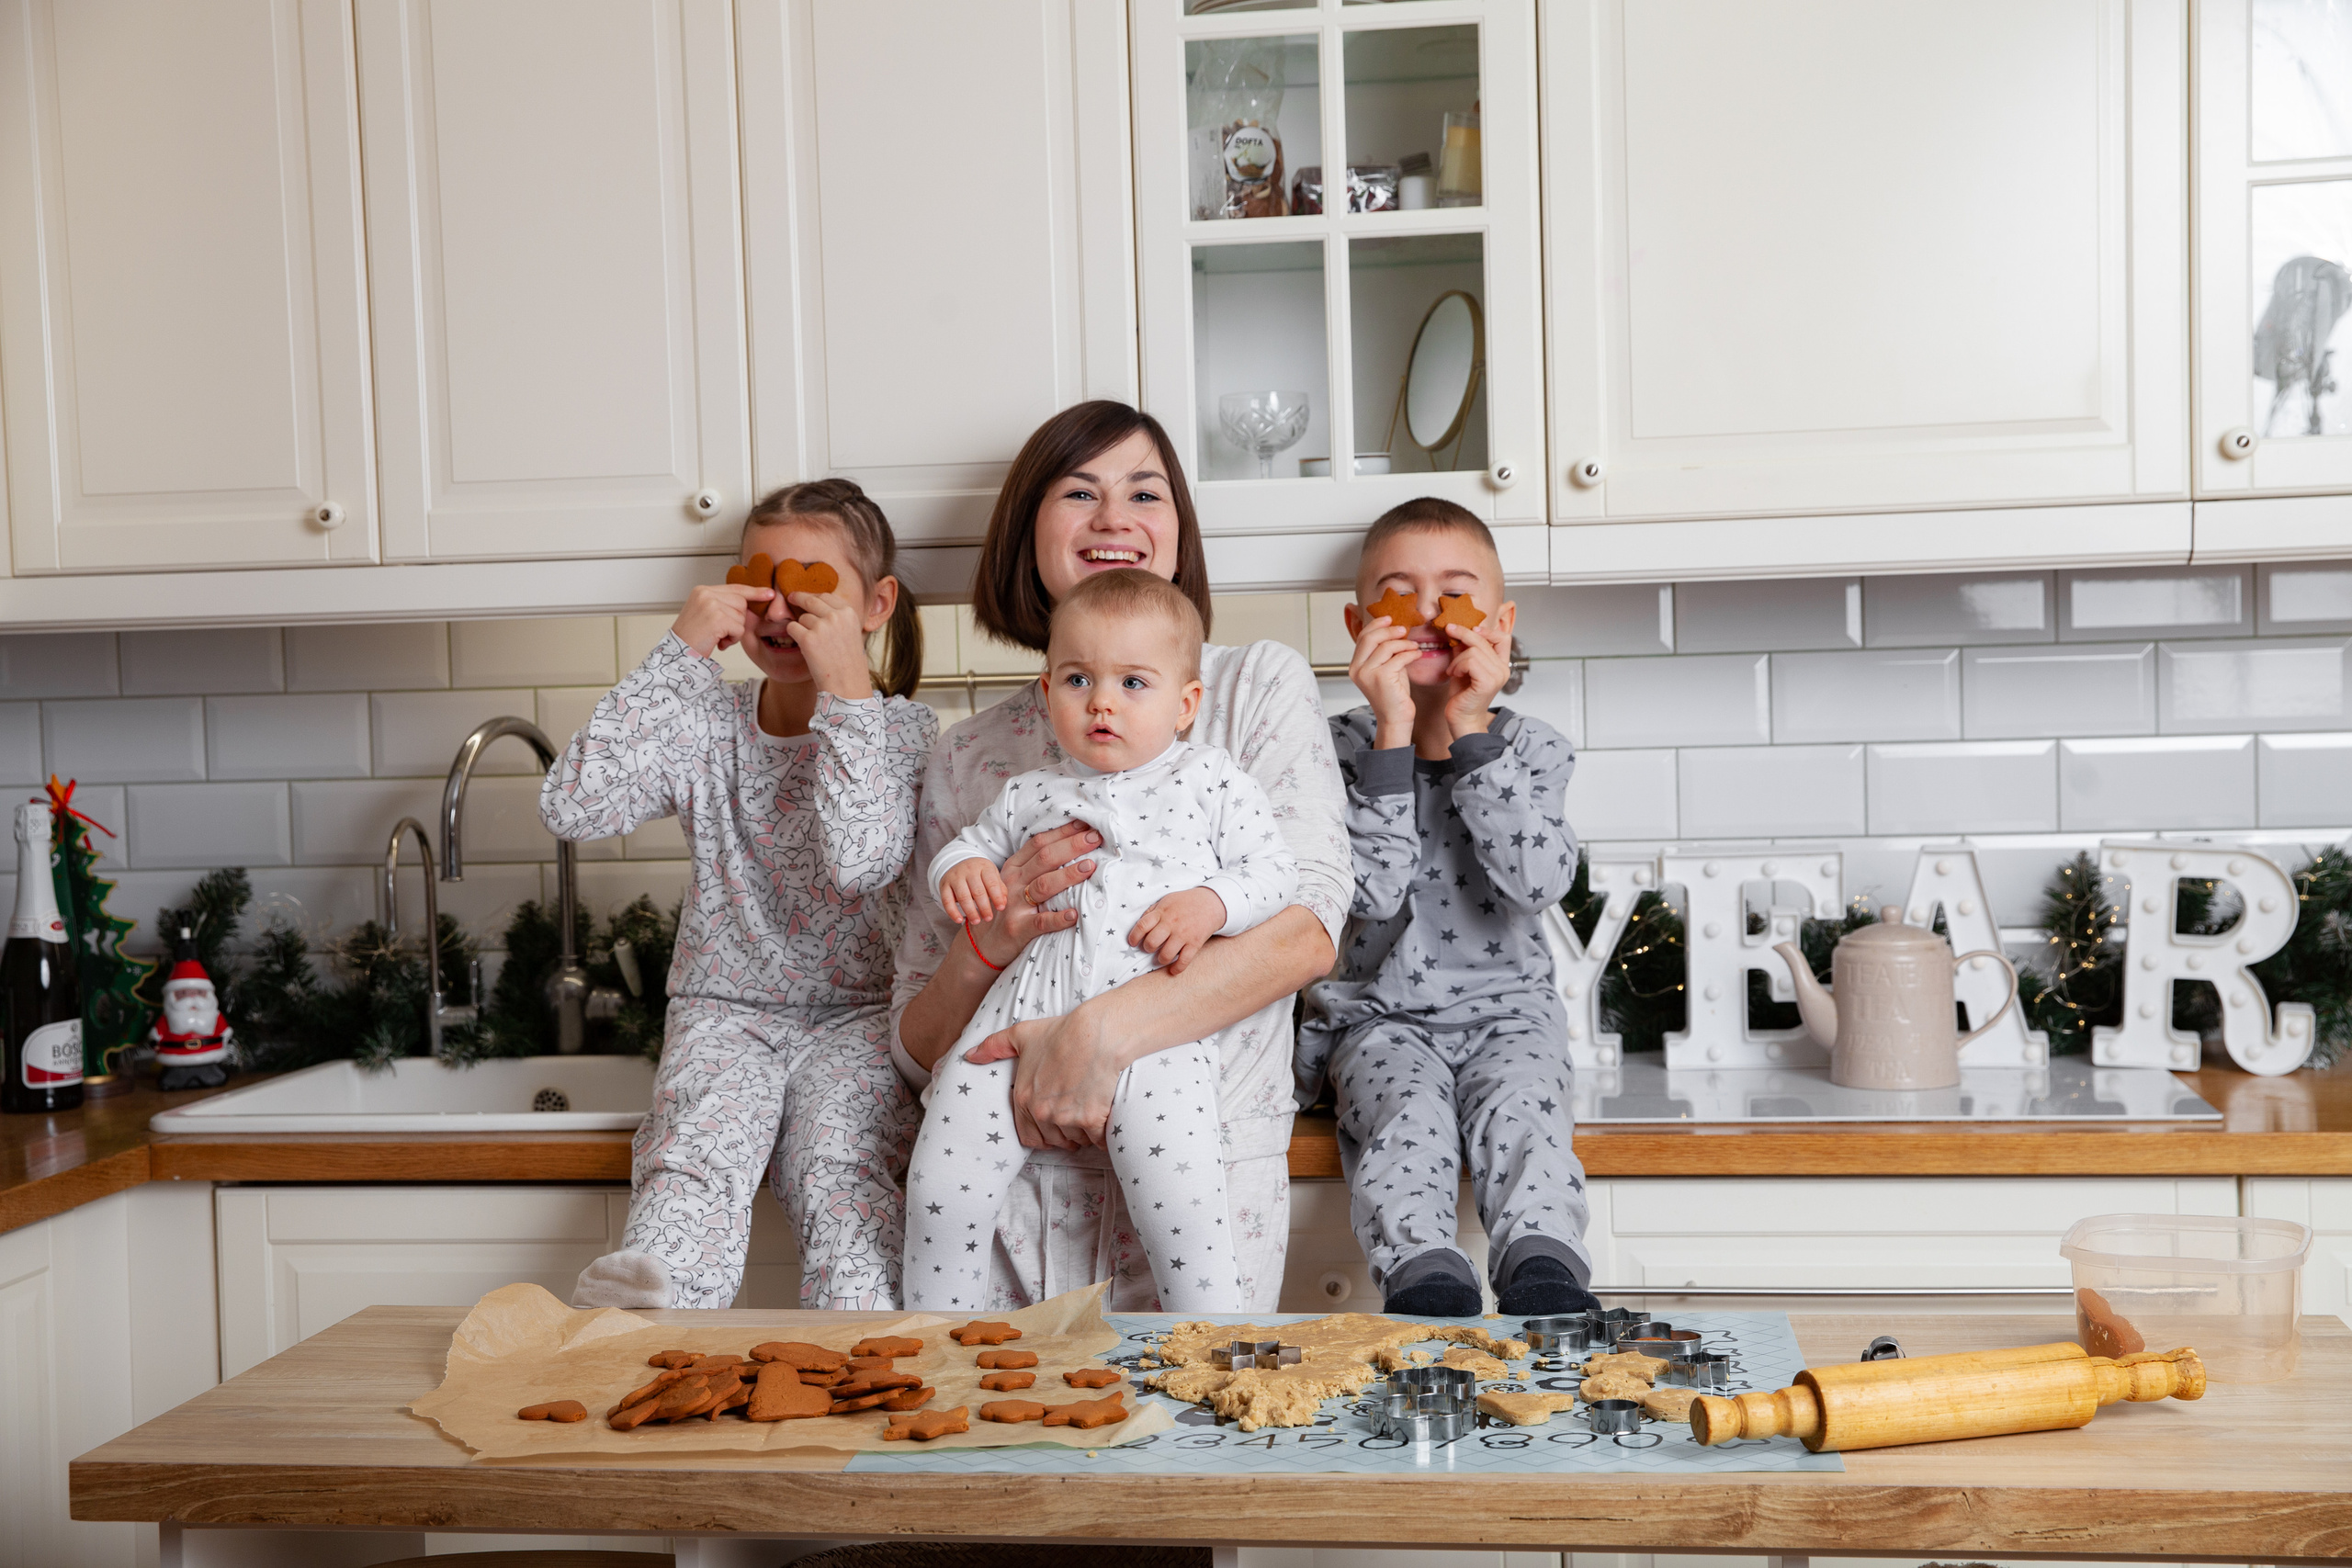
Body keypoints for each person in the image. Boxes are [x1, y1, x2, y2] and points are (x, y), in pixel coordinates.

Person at [891, 400, 1350, 1312]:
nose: (1113, 518)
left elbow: (1304, 929)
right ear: (1028, 532)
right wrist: (987, 938)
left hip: (1203, 1177)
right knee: (978, 1392)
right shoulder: (972, 758)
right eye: (1078, 493)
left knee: (1196, 1386)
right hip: (1009, 1218)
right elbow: (915, 1046)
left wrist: (1094, 1036)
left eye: (1145, 493)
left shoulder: (1252, 692)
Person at [547, 479, 935, 1311]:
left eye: (811, 585)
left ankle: (864, 1340)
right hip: (723, 1009)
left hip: (863, 1017)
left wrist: (848, 693)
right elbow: (571, 805)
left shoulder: (905, 732)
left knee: (843, 1168)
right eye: (761, 581)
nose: (781, 607)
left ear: (876, 605)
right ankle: (649, 1315)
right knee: (693, 1150)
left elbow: (865, 859)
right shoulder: (705, 723)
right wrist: (678, 653)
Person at [908, 570, 1299, 1312]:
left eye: (1133, 682)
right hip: (1013, 1026)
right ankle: (933, 1338)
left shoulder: (1212, 781)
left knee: (1184, 1207)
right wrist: (962, 873)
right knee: (939, 1187)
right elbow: (968, 847)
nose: (1102, 701)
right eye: (1078, 678)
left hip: (1156, 1033)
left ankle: (1214, 1340)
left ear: (1186, 703)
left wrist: (1212, 903)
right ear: (1047, 690)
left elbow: (1277, 874)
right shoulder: (1027, 791)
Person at [1298, 496, 1599, 1318]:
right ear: (1359, 624)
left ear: (1499, 623)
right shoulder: (1332, 752)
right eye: (1400, 596)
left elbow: (1537, 880)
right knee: (1403, 1117)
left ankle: (1545, 1268)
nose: (1430, 615)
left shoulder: (1533, 748)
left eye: (1455, 594)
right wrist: (1392, 733)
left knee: (1526, 1113)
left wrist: (1471, 730)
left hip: (1510, 1013)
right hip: (1380, 1018)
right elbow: (1369, 892)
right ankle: (1424, 1272)